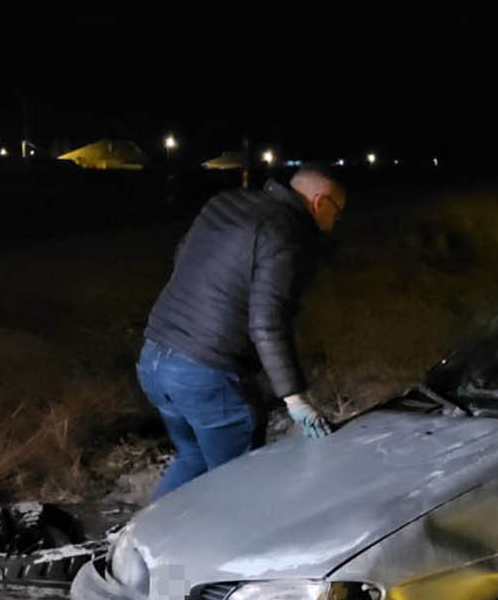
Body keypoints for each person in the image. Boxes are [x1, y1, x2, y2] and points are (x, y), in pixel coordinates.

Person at [137, 165, 344, 498]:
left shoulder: (225, 203)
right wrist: (295, 398)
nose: (335, 223)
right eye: (338, 212)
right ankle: (217, 548)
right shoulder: (289, 235)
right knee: (242, 486)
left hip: (154, 360)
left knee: (193, 459)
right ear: (320, 202)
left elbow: (183, 256)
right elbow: (267, 323)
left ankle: (141, 542)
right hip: (207, 378)